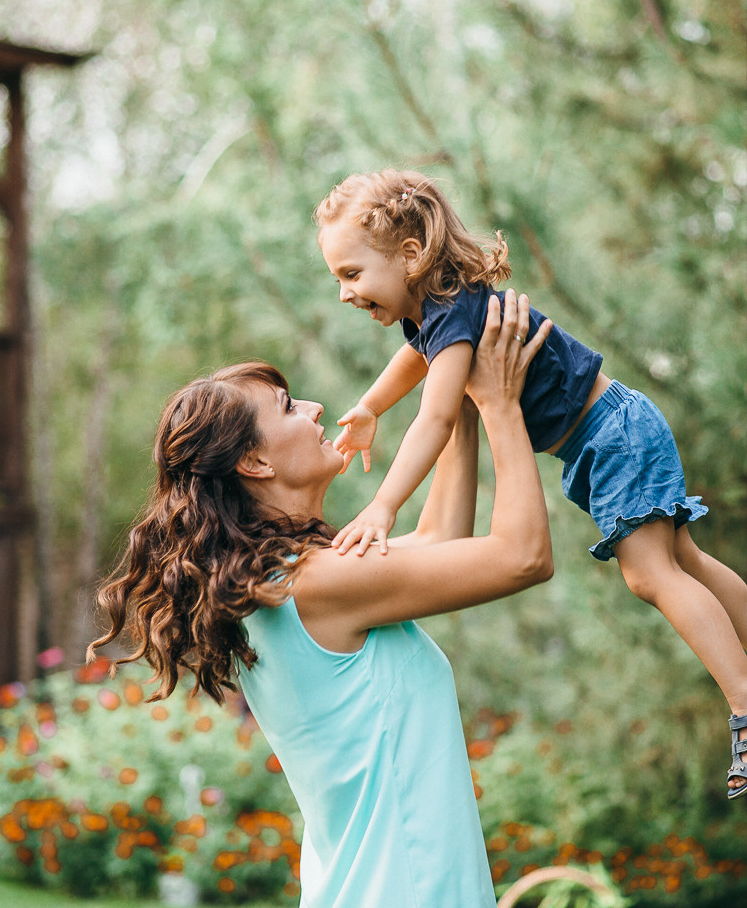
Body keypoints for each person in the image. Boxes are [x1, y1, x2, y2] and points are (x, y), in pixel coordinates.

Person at [90, 291, 553, 908]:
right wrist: (498, 404)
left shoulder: (284, 583)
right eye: (284, 407)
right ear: (253, 463)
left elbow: (438, 541)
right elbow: (521, 556)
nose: (311, 409)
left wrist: (455, 389)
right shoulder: (312, 585)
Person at [315, 167, 747, 800]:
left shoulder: (454, 311)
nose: (345, 294)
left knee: (650, 572)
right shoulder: (436, 310)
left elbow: (438, 416)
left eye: (352, 274)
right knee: (683, 560)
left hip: (611, 433)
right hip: (610, 432)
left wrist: (384, 505)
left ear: (410, 256)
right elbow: (415, 358)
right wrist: (372, 406)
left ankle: (743, 707)